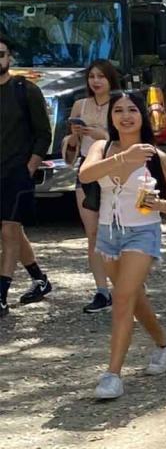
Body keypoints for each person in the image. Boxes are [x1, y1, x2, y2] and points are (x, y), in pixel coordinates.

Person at [77, 92, 166, 399]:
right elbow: (86, 174)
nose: (126, 116)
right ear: (111, 117)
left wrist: (160, 204)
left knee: (122, 298)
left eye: (132, 110)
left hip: (143, 232)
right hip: (109, 233)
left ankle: (112, 375)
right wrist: (124, 157)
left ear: (143, 116)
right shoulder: (102, 147)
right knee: (134, 299)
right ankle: (165, 346)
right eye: (119, 110)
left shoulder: (157, 157)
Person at [0, 35, 54, 318]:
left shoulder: (25, 90)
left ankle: (1, 296)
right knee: (14, 232)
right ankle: (40, 279)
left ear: (10, 57)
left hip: (16, 174)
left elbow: (43, 134)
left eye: (1, 54)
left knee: (8, 231)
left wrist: (29, 168)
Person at [62, 60, 122, 313]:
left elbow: (127, 140)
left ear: (110, 80)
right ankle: (102, 291)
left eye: (101, 77)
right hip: (87, 168)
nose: (96, 81)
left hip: (115, 167)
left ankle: (127, 286)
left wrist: (103, 136)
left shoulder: (121, 104)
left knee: (119, 231)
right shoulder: (80, 105)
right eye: (92, 77)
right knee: (93, 234)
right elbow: (69, 157)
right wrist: (75, 137)